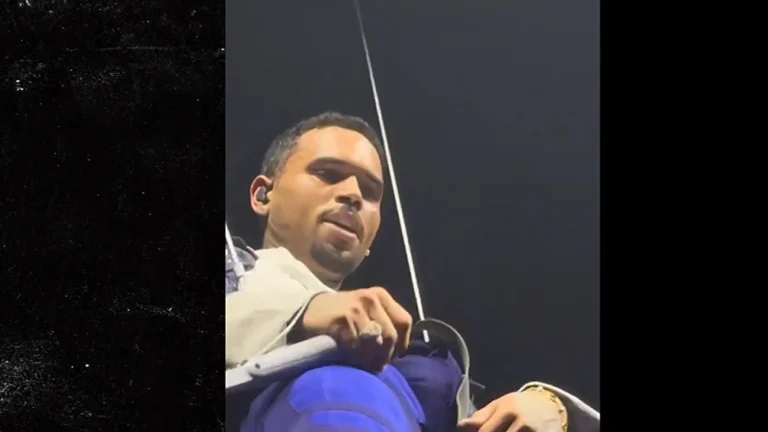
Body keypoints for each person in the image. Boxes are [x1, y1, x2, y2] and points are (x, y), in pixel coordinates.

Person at [226, 111, 599, 432]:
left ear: (371, 238)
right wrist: (304, 316)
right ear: (263, 195)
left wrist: (554, 408)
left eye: (370, 192)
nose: (353, 194)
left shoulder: (413, 350)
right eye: (328, 173)